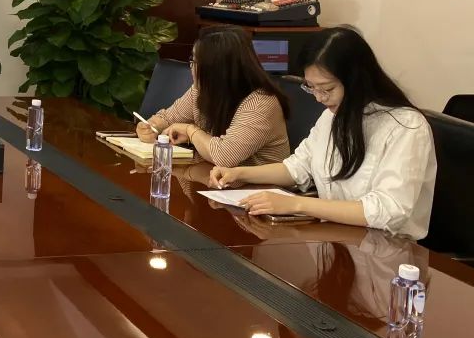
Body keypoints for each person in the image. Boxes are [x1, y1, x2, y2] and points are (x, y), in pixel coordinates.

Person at [209, 26, 437, 239]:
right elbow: (298, 167)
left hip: (386, 249)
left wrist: (297, 204)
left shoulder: (406, 127)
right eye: (311, 87)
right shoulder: (332, 116)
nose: (319, 98)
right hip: (335, 238)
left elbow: (388, 211)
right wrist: (239, 173)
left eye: (327, 88)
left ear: (357, 81)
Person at [137, 26, 291, 167]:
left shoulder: (261, 103)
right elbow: (168, 117)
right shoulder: (202, 90)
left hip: (259, 186)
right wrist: (151, 127)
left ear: (217, 70)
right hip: (215, 178)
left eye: (195, 62)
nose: (191, 67)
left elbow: (224, 156)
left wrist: (190, 131)